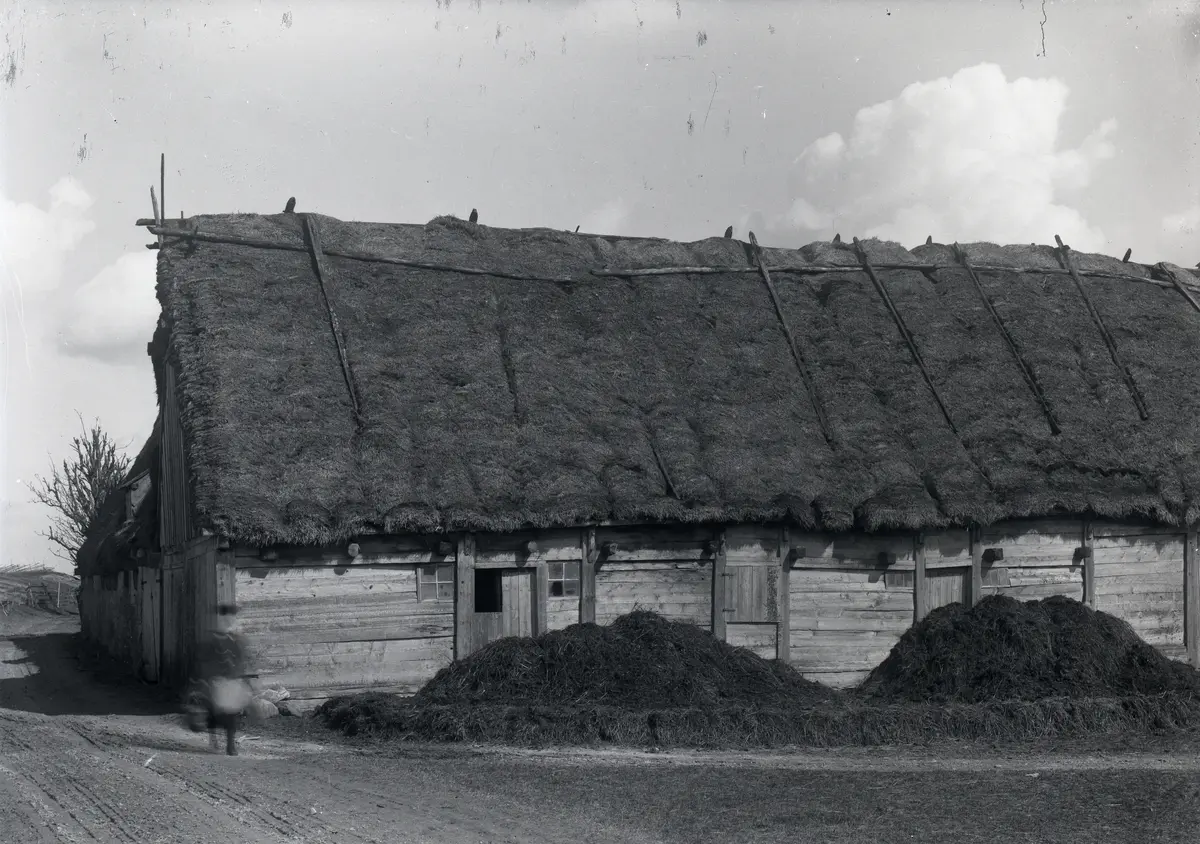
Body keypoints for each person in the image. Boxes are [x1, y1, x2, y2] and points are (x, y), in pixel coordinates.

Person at [189, 603, 252, 756]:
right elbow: (204, 661)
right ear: (221, 618)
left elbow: (241, 659)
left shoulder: (237, 639)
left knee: (232, 712)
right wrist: (207, 678)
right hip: (217, 680)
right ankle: (214, 738)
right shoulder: (211, 639)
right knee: (215, 711)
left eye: (232, 617)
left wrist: (242, 676)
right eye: (226, 617)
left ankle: (230, 744)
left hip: (232, 681)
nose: (230, 620)